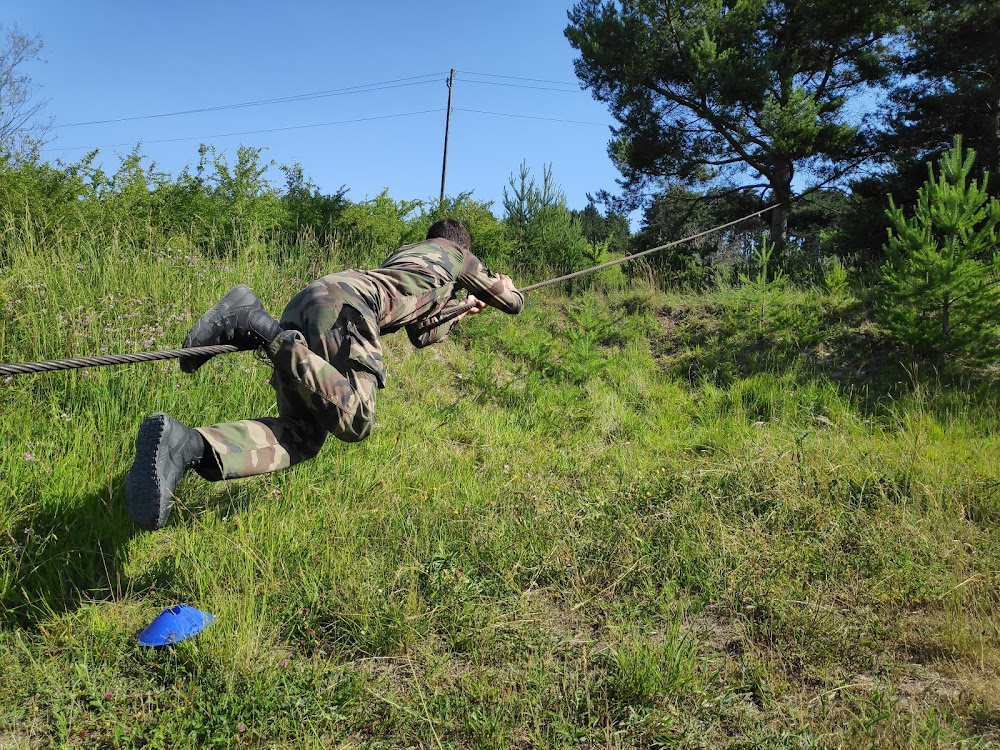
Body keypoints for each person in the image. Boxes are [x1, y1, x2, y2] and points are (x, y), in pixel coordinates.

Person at [125, 218, 523, 531]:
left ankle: (187, 445)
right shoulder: (457, 255)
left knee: (303, 434)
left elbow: (422, 332)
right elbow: (513, 302)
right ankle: (257, 325)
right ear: (461, 245)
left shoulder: (413, 259)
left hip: (317, 301)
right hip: (348, 309)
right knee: (358, 420)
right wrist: (501, 287)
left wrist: (466, 309)